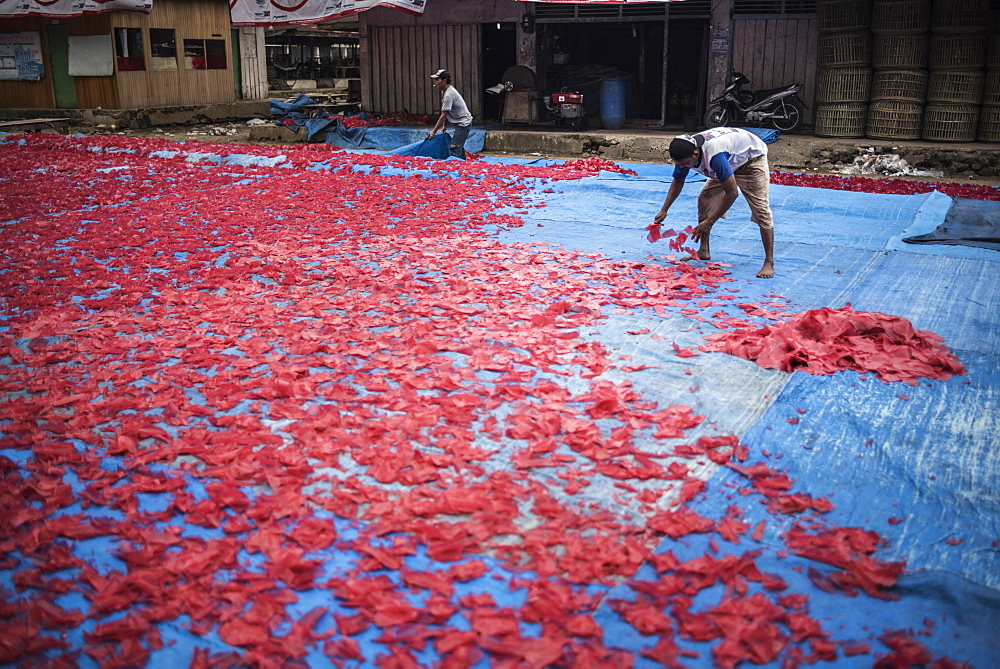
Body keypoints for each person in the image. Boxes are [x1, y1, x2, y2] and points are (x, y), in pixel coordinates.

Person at [653, 126, 775, 279]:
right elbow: (678, 180)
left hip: (750, 161)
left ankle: (769, 261)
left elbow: (732, 193)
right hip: (728, 161)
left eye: (685, 164)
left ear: (696, 154)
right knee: (705, 198)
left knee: (761, 211)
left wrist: (710, 221)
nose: (683, 167)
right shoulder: (685, 154)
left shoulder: (714, 156)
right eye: (679, 164)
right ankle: (704, 249)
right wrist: (665, 209)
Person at [427, 69, 474, 159]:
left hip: (463, 123)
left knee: (454, 147)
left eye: (438, 80)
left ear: (444, 81)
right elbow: (447, 111)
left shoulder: (449, 94)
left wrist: (434, 131)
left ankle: (459, 167)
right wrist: (444, 125)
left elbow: (443, 115)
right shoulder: (444, 91)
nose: (436, 82)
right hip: (459, 122)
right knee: (457, 147)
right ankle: (463, 162)